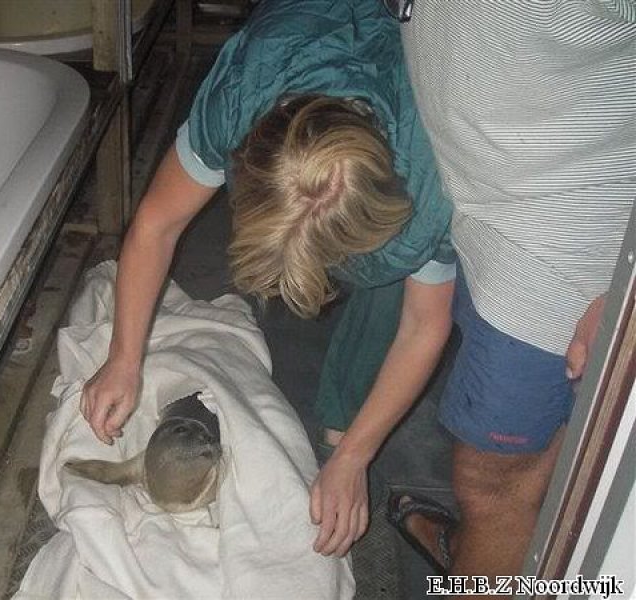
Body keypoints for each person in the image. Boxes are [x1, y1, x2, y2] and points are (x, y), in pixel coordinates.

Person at [80, 0, 456, 558]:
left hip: (401, 102)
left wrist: (356, 453)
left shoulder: (431, 177)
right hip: (294, 23)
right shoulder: (241, 93)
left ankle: (342, 424)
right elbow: (157, 224)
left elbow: (424, 327)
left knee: (392, 284)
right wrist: (124, 357)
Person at [386, 0, 636, 590]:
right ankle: (486, 551)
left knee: (497, 484)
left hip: (558, 261)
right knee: (538, 465)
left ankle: (494, 557)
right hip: (479, 208)